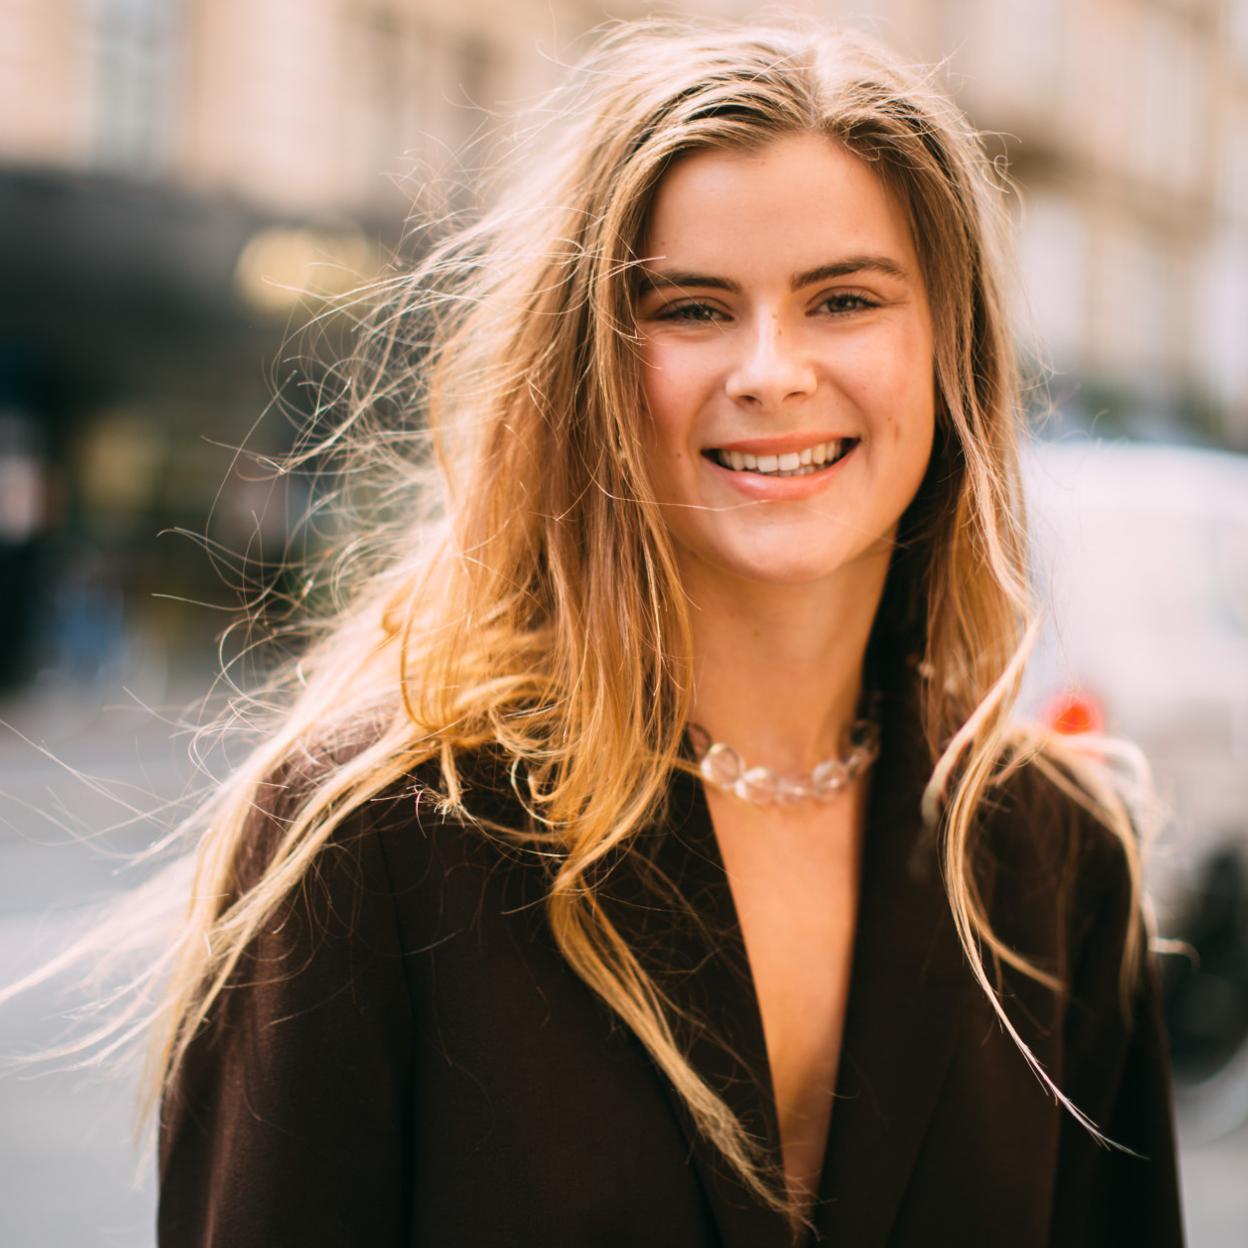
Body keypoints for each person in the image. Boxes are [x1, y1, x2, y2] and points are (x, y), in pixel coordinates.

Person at [151, 18, 1184, 1247]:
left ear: (948, 350)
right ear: (590, 368)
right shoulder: (377, 839)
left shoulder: (1057, 859)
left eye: (844, 299)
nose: (771, 371)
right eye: (693, 309)